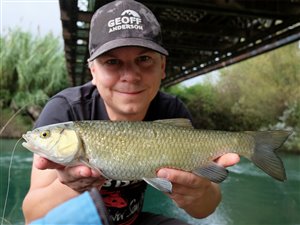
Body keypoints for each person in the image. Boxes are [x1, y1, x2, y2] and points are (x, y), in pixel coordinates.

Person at [22, 0, 239, 224]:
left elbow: (204, 210)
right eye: (112, 62)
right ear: (93, 71)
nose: (131, 76)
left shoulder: (171, 110)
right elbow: (32, 217)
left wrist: (197, 193)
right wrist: (70, 186)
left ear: (162, 67)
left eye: (144, 59)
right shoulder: (66, 109)